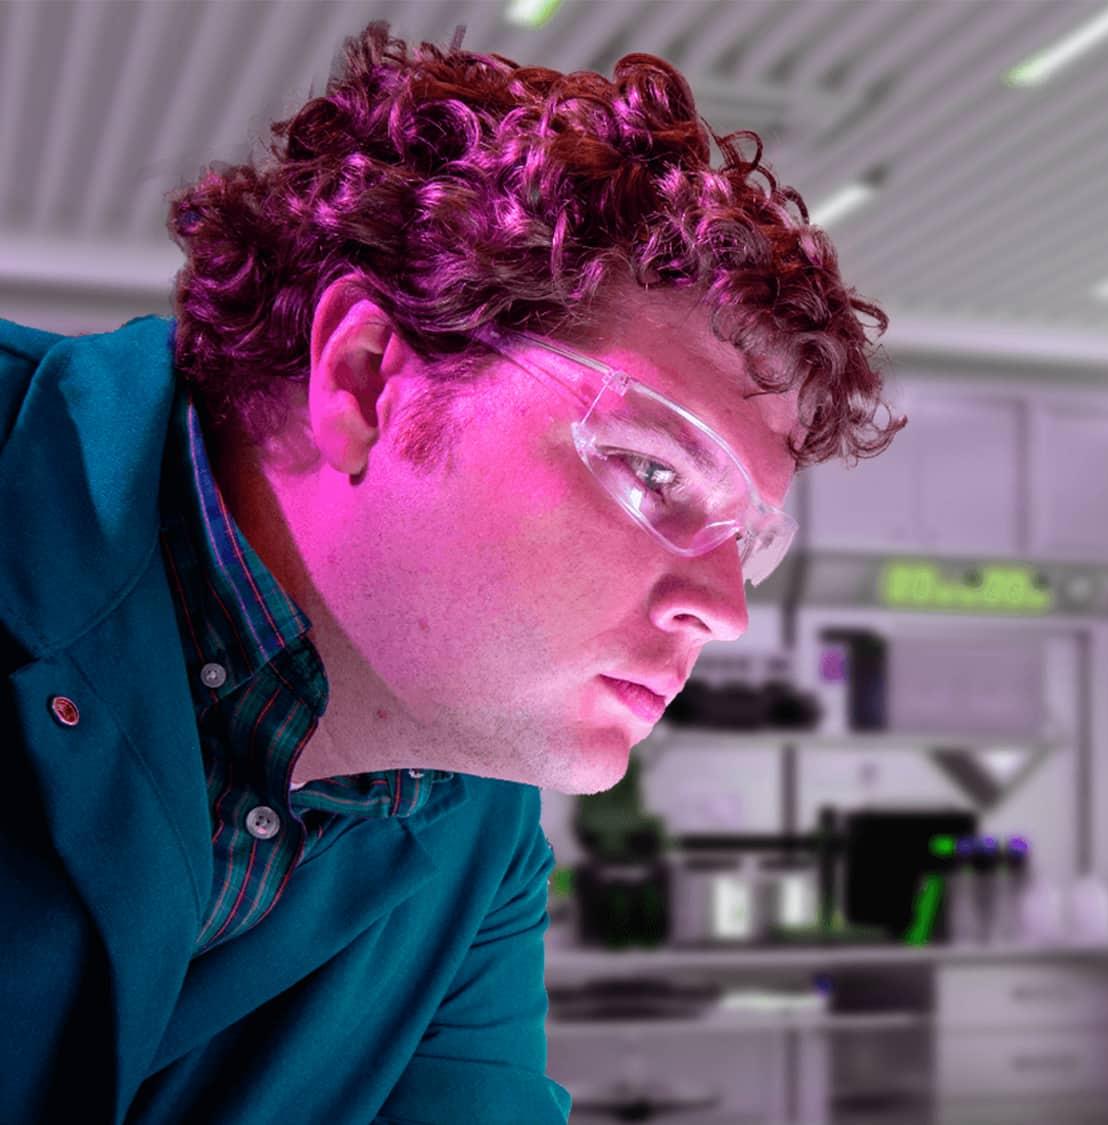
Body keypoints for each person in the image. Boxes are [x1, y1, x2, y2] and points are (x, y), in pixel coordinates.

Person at [0, 23, 897, 1123]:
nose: (722, 610)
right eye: (655, 472)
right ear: (367, 377)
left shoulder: (476, 829)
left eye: (747, 540)